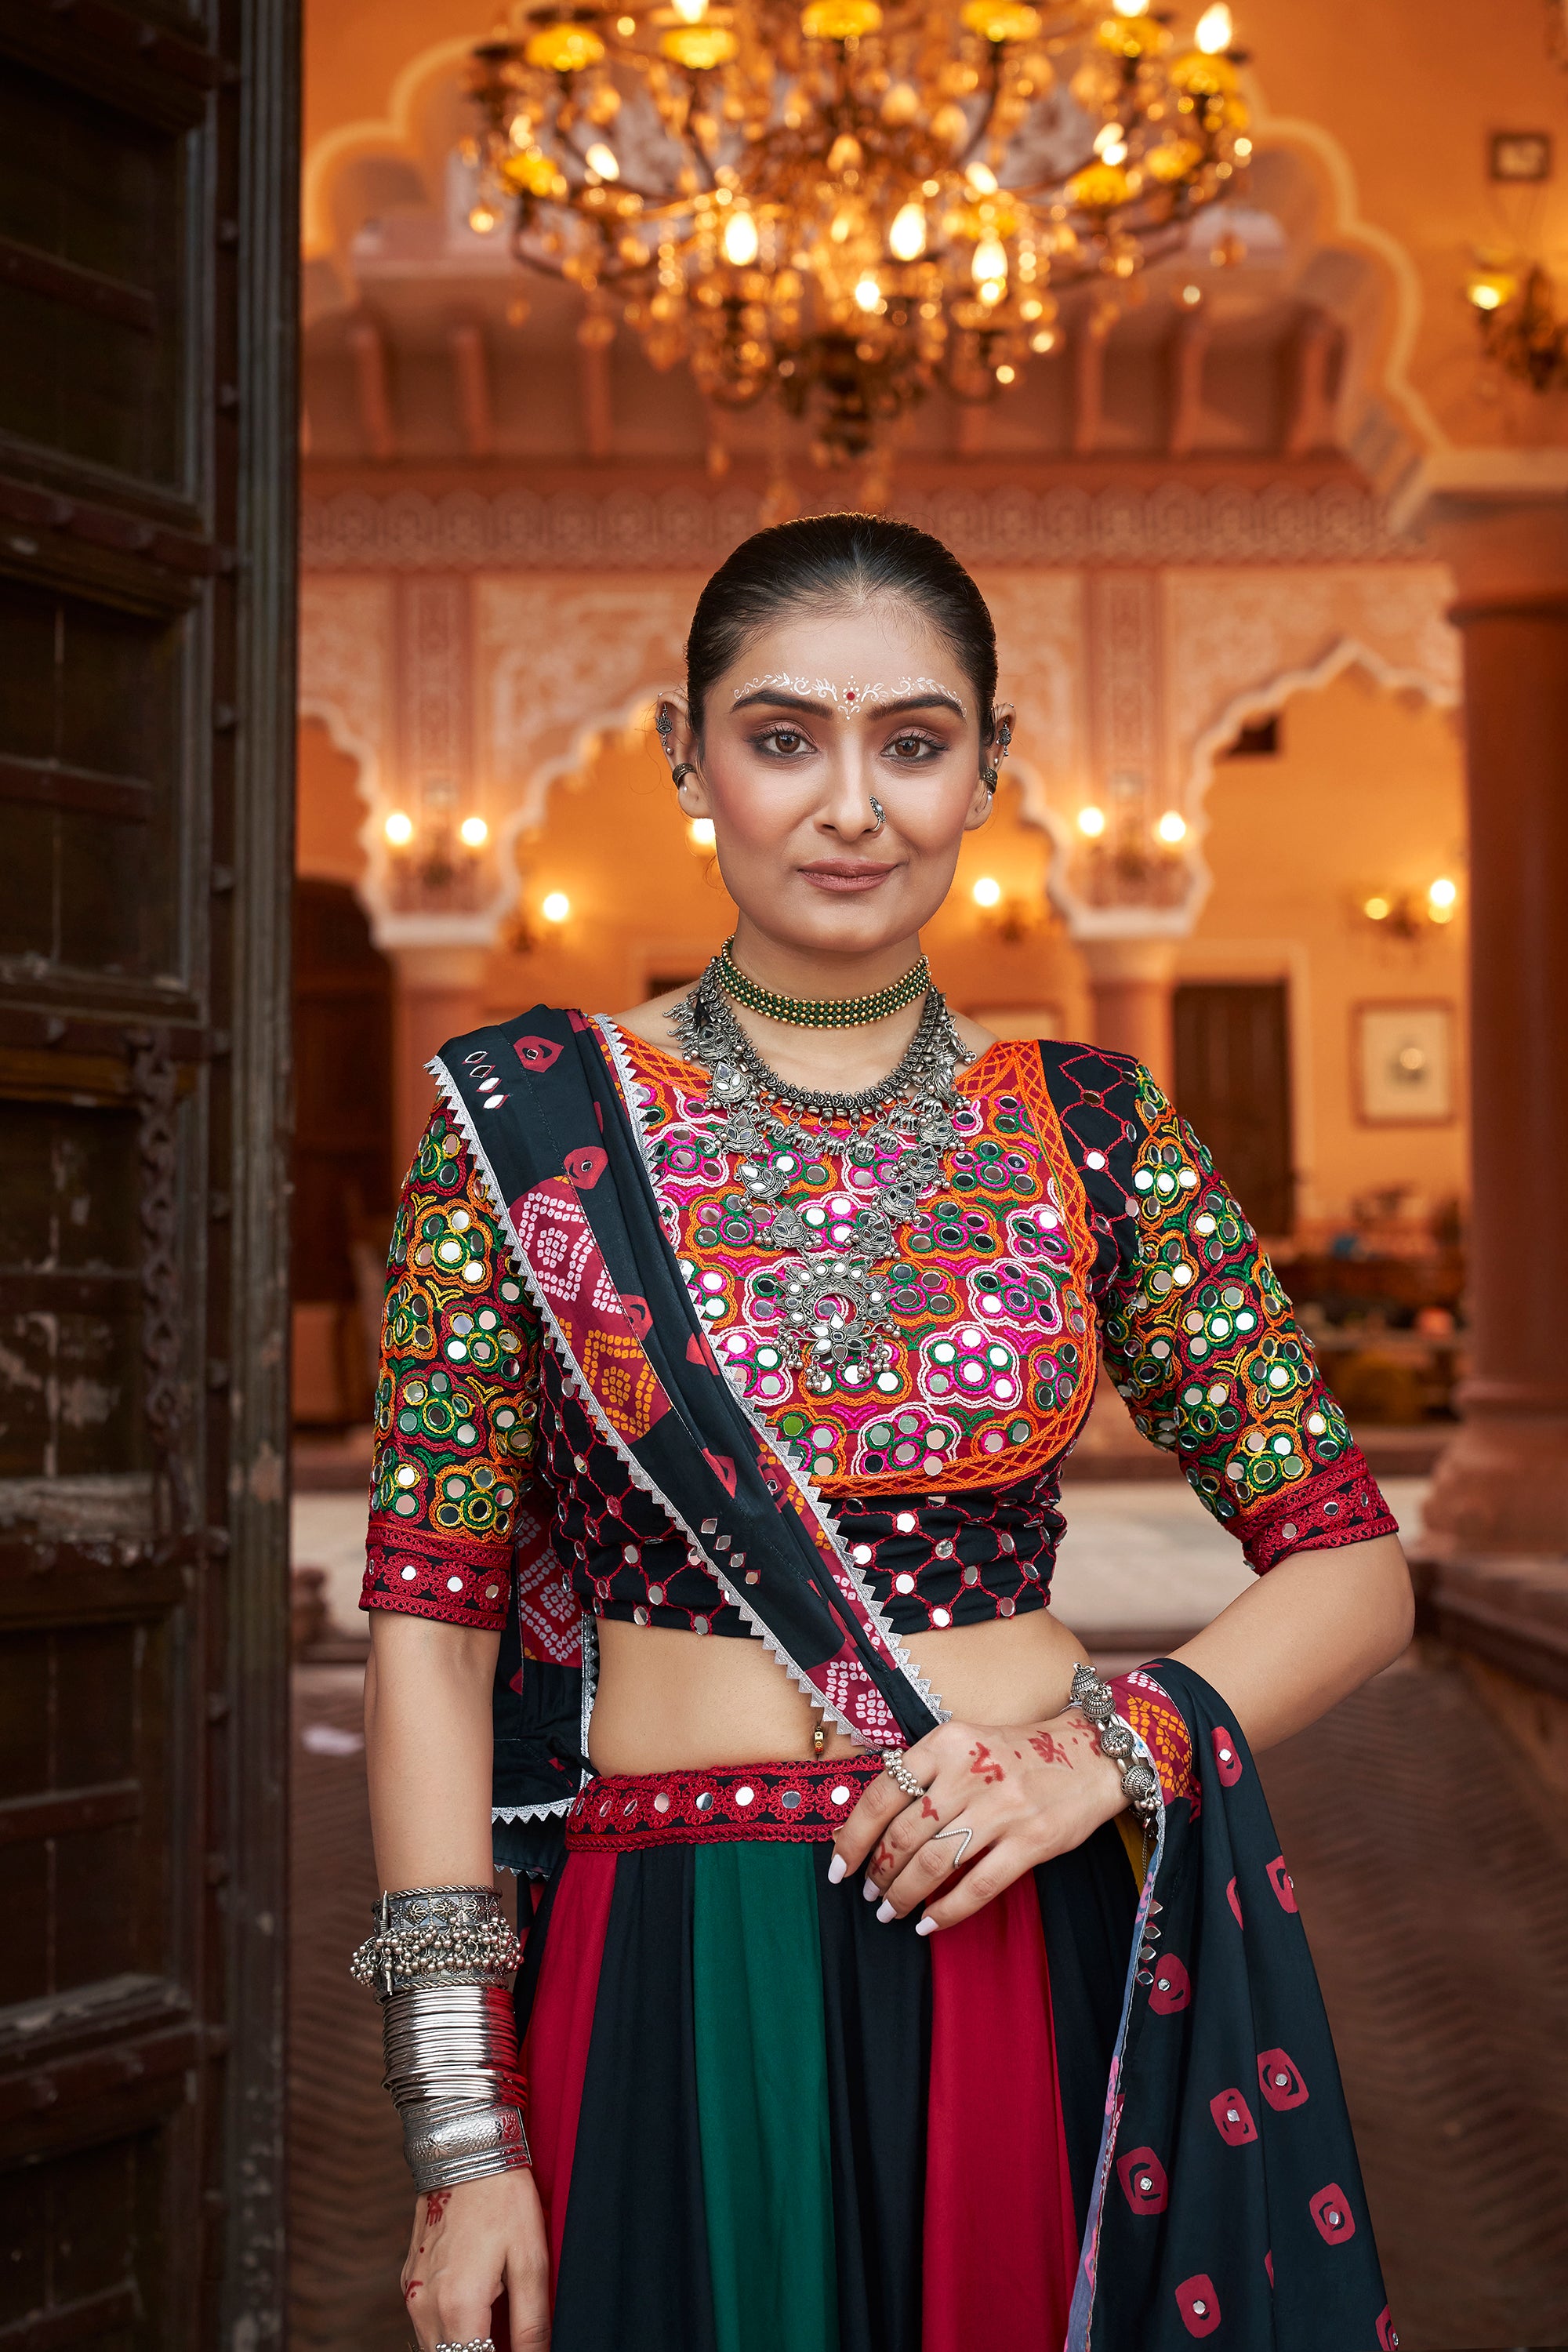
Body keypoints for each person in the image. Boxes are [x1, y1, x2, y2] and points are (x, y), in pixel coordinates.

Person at [354, 513, 1414, 2352]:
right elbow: (429, 1642)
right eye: (783, 739)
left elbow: (1349, 1561)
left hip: (1018, 1917)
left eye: (913, 744)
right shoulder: (523, 1124)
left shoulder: (1092, 1130)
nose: (852, 805)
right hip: (674, 1949)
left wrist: (1106, 1753)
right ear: (687, 759)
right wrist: (465, 2136)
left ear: (988, 773)